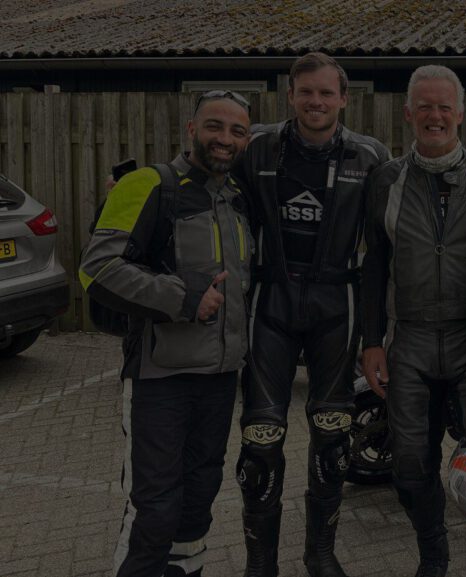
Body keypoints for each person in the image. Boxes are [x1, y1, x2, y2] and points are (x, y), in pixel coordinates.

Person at [360, 65, 466, 577]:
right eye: (425, 107)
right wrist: (371, 340)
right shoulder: (385, 178)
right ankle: (433, 558)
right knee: (410, 468)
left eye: (444, 107)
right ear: (408, 113)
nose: (435, 116)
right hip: (408, 340)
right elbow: (374, 264)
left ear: (461, 113)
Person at [79, 90, 253, 577]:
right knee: (154, 512)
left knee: (197, 502)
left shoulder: (238, 199)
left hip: (220, 379)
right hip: (159, 380)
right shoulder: (149, 183)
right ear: (191, 129)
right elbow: (97, 267)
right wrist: (182, 298)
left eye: (237, 131)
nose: (225, 138)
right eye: (214, 126)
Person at [233, 52, 390, 577]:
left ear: (344, 98)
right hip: (270, 302)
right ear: (291, 96)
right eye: (306, 92)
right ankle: (260, 563)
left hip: (336, 306)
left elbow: (385, 247)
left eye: (326, 93)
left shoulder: (371, 156)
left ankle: (320, 554)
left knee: (332, 436)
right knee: (260, 438)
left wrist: (376, 334)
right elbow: (202, 176)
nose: (316, 102)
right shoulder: (256, 147)